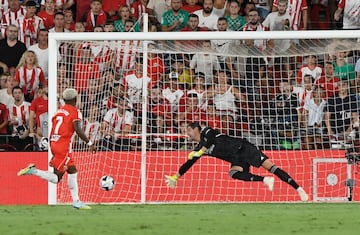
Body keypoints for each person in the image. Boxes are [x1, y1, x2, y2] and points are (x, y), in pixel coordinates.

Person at [164, 122, 309, 202]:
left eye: (189, 130)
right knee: (234, 173)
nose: (187, 134)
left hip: (244, 148)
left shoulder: (207, 131)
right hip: (236, 158)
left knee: (271, 167)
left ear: (196, 129)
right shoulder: (199, 148)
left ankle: (299, 189)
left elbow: (209, 141)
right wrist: (175, 177)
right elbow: (188, 164)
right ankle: (265, 180)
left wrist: (199, 151)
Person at [17, 88, 96, 210]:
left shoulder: (57, 112)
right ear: (75, 99)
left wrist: (51, 145)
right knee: (56, 178)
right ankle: (34, 171)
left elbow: (53, 129)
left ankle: (76, 201)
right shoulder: (75, 112)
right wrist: (89, 143)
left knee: (72, 170)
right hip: (64, 146)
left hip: (55, 143)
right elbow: (78, 129)